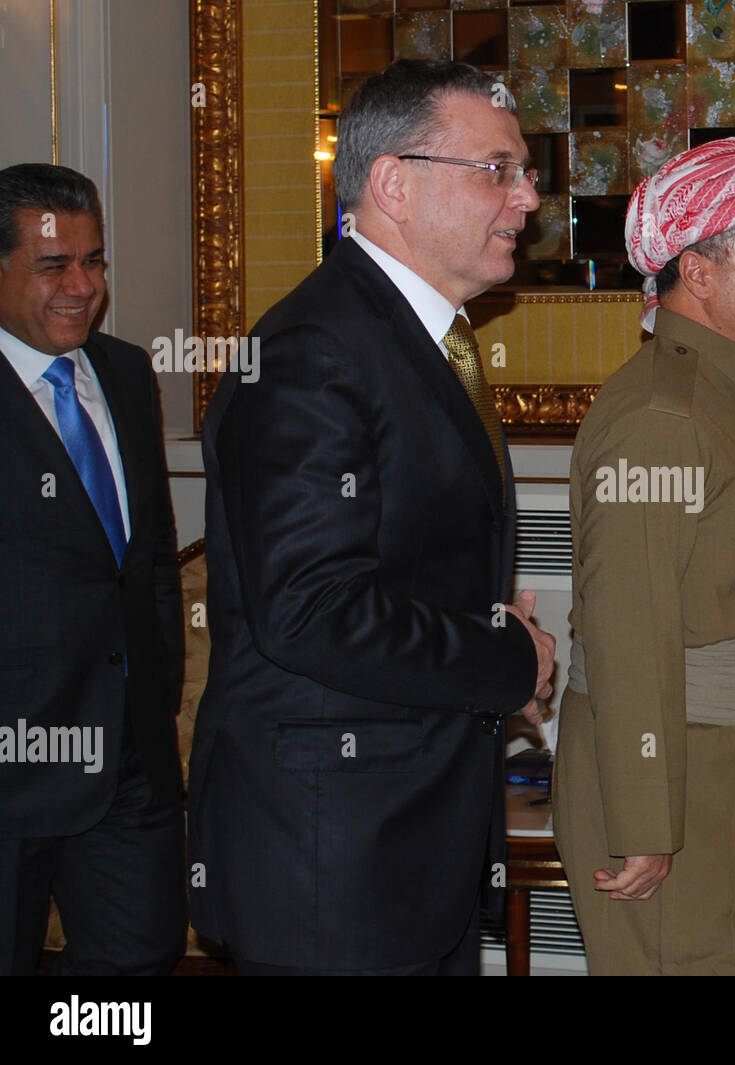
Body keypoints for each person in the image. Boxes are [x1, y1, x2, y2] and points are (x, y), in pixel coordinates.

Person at [190, 59, 556, 975]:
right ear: (393, 183)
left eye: (526, 171)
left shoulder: (411, 336)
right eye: (499, 169)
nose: (529, 198)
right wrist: (508, 655)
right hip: (333, 863)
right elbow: (311, 610)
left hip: (400, 842)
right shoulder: (316, 351)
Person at [553, 138, 735, 975]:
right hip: (688, 790)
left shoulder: (728, 396)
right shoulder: (662, 418)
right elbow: (626, 628)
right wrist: (644, 825)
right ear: (699, 272)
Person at [0, 163, 187, 975]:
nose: (82, 286)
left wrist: (157, 703)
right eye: (53, 265)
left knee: (133, 972)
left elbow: (147, 561)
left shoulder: (123, 372)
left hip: (127, 762)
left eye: (95, 261)